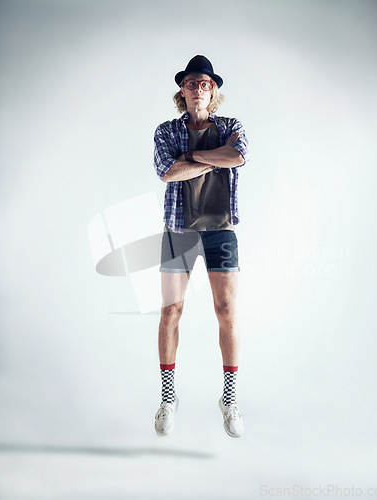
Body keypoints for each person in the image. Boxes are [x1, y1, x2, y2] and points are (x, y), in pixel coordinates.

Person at [153, 55, 249, 438]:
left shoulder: (232, 126)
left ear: (214, 91)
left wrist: (192, 156)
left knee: (226, 310)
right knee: (171, 310)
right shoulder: (166, 131)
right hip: (179, 229)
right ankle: (167, 395)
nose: (198, 89)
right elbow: (167, 172)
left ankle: (229, 398)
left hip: (220, 228)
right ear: (182, 90)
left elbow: (239, 156)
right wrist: (214, 159)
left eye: (205, 84)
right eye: (191, 83)